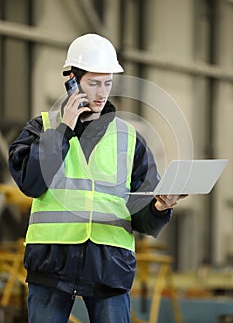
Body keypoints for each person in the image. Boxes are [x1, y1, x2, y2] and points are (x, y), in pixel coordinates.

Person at [8, 33, 185, 323]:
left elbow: (141, 217)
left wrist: (159, 208)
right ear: (71, 80)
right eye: (93, 83)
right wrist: (63, 130)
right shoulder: (42, 130)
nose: (102, 93)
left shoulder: (130, 140)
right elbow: (31, 183)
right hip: (52, 262)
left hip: (110, 265)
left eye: (108, 83)